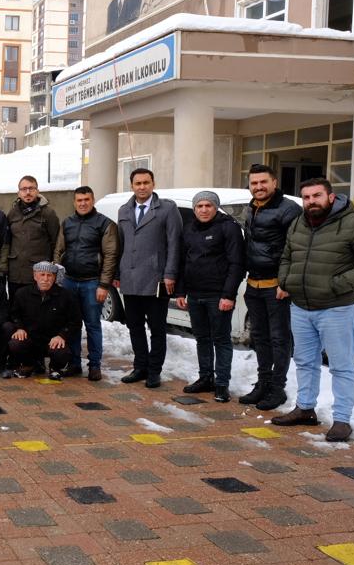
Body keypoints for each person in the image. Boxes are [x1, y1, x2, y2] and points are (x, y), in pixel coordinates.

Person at [274, 178, 354, 442]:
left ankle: (342, 420)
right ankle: (305, 408)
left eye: (317, 196)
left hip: (336, 308)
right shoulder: (299, 221)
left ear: (330, 197)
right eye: (307, 197)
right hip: (301, 306)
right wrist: (285, 280)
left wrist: (338, 285)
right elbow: (288, 254)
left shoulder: (352, 222)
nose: (311, 201)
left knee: (341, 366)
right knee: (304, 362)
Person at [174, 191, 246, 403]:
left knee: (221, 339)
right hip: (195, 294)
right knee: (202, 338)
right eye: (199, 206)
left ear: (215, 207)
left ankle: (222, 384)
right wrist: (180, 291)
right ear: (195, 208)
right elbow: (183, 261)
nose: (203, 210)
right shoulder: (189, 229)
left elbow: (236, 264)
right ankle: (206, 378)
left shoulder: (229, 228)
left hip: (218, 295)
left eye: (208, 205)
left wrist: (228, 295)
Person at [240, 164, 302, 410]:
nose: (258, 187)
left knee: (279, 338)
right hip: (254, 283)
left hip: (276, 286)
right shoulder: (252, 208)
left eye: (263, 182)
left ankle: (278, 388)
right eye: (254, 183)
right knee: (259, 337)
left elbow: (295, 248)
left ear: (274, 182)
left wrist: (285, 282)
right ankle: (263, 383)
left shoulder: (289, 209)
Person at [115, 168, 182, 388]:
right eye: (137, 183)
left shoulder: (167, 209)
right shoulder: (124, 210)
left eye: (146, 183)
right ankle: (140, 366)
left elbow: (174, 243)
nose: (142, 187)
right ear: (131, 185)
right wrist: (117, 273)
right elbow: (121, 245)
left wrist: (170, 273)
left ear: (153, 184)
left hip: (157, 280)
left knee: (157, 328)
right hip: (130, 278)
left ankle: (154, 371)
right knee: (134, 326)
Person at [53, 185, 119, 381]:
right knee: (72, 324)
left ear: (92, 200)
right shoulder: (67, 223)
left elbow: (110, 256)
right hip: (69, 281)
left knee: (92, 325)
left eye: (86, 200)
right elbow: (58, 250)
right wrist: (58, 278)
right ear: (74, 202)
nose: (83, 203)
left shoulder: (105, 224)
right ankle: (74, 363)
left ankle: (95, 365)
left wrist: (104, 285)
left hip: (92, 283)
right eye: (79, 200)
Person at [2, 261, 82, 380]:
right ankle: (28, 364)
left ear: (54, 277)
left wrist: (62, 335)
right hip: (30, 339)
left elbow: (75, 322)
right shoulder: (22, 294)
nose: (45, 279)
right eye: (42, 275)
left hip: (53, 341)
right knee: (16, 342)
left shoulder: (66, 296)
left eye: (49, 275)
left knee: (61, 352)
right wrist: (20, 328)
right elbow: (14, 314)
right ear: (35, 276)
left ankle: (55, 368)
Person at [4, 175, 60, 296]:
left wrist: (54, 267)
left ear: (37, 191)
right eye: (24, 189)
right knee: (15, 308)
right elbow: (7, 241)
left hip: (39, 273)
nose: (27, 192)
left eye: (31, 188)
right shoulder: (12, 213)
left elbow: (56, 243)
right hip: (16, 273)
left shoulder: (48, 213)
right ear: (18, 193)